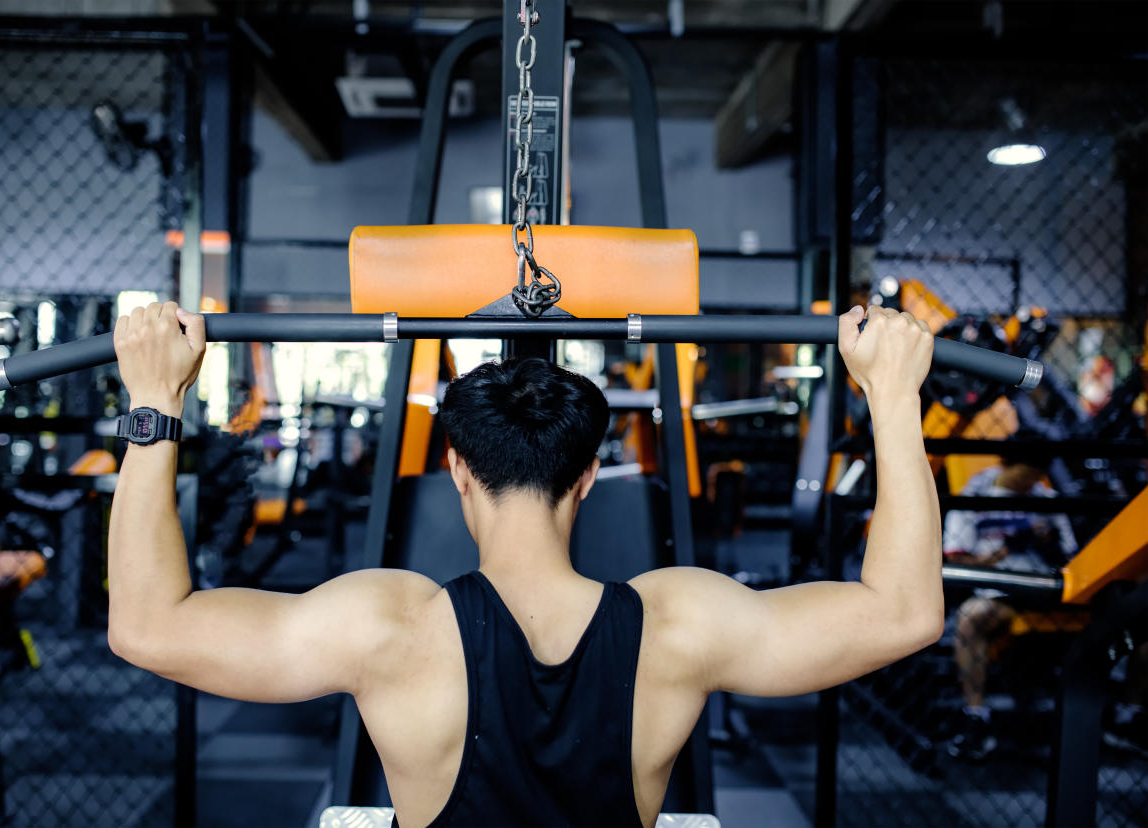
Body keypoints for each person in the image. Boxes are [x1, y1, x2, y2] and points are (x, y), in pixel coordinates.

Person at [108, 301, 942, 827]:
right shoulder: (681, 624)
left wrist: (154, 404)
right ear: (587, 478)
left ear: (458, 470)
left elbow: (148, 625)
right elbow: (904, 611)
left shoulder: (388, 625)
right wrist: (895, 400)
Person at [943, 458, 1080, 760]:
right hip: (999, 591)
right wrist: (1004, 551)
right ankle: (976, 714)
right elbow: (956, 559)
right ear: (1010, 465)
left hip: (1046, 590)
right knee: (969, 617)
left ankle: (1120, 715)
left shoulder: (1046, 499)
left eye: (1037, 473)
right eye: (1028, 471)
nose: (1032, 479)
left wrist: (1046, 544)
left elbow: (1071, 556)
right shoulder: (976, 495)